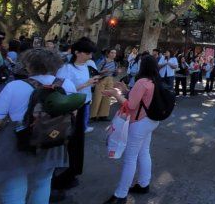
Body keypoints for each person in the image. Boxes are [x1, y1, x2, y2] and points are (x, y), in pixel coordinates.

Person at [0, 48, 79, 203]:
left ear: (29, 66)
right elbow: (73, 115)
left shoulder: (15, 86)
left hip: (19, 142)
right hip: (53, 139)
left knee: (14, 187)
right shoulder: (67, 85)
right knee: (43, 183)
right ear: (57, 66)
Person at [102, 55, 160, 204]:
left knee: (130, 158)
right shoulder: (155, 81)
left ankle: (120, 195)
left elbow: (131, 106)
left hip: (139, 122)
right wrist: (127, 90)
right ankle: (143, 184)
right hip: (152, 121)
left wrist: (116, 94)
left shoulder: (142, 82)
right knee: (144, 152)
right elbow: (141, 100)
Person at [51, 37, 99, 192]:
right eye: (87, 53)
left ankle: (73, 171)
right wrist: (85, 84)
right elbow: (60, 90)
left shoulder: (88, 66)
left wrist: (94, 82)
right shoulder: (66, 69)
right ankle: (60, 175)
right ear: (77, 52)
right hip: (70, 108)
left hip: (84, 105)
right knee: (67, 141)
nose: (90, 56)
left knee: (78, 142)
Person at [91, 49, 118, 121]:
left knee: (107, 98)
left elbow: (114, 74)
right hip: (102, 79)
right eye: (112, 52)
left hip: (110, 80)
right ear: (108, 54)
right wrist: (103, 71)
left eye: (115, 53)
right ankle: (93, 116)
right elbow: (96, 70)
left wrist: (117, 72)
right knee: (97, 97)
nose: (113, 54)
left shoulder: (115, 63)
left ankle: (103, 115)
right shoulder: (103, 61)